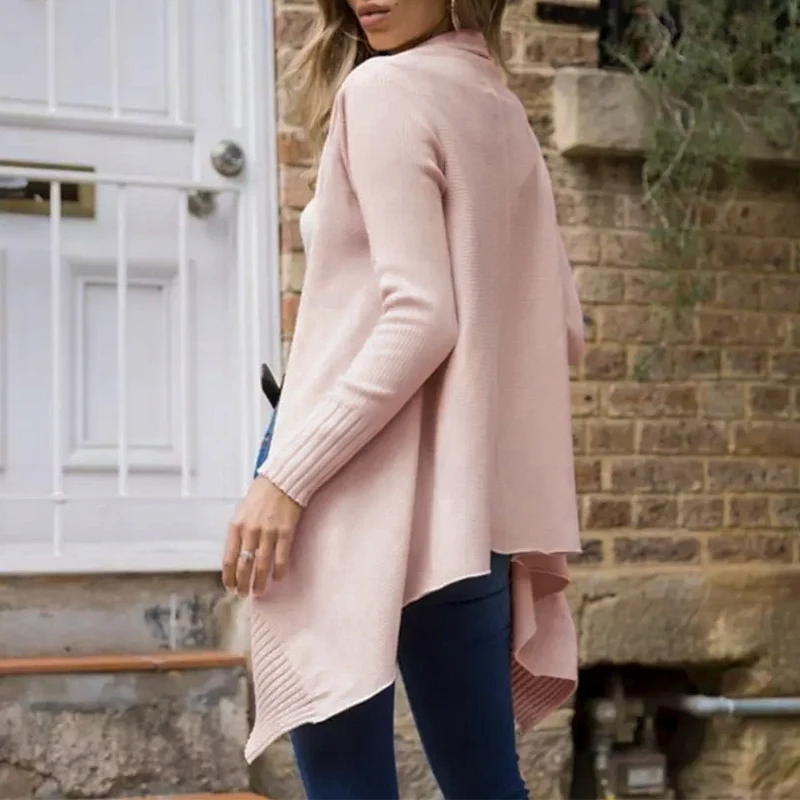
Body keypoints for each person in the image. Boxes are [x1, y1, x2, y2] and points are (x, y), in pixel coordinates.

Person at [222, 0, 585, 797]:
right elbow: (563, 323)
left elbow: (421, 316)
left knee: (347, 783)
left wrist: (286, 477)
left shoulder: (383, 90)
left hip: (343, 469)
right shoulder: (502, 111)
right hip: (464, 504)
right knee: (486, 784)